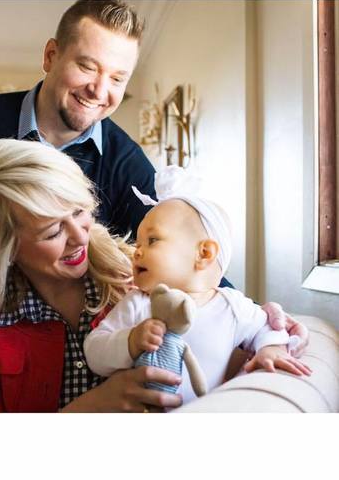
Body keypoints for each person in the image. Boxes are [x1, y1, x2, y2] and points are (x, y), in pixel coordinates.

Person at [0, 0, 308, 412]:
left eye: (118, 78)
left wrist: (255, 314)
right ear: (51, 56)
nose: (100, 91)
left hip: (58, 334)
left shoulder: (124, 161)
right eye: (87, 66)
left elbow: (181, 246)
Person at [0, 138, 183, 412]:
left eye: (79, 211)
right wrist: (86, 409)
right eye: (53, 232)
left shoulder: (143, 274)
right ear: (3, 249)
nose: (81, 237)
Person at [84, 166, 311, 406]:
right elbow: (94, 352)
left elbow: (267, 328)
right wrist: (129, 342)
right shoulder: (137, 303)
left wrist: (271, 348)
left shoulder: (232, 306)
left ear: (204, 253)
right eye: (138, 243)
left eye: (152, 240)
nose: (137, 251)